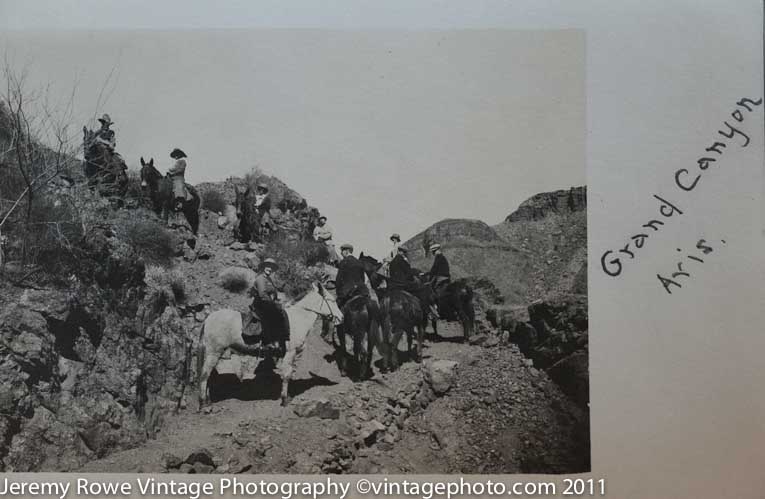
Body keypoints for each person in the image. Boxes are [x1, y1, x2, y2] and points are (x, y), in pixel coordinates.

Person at [248, 258, 289, 353]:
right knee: (273, 316)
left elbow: (273, 292)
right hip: (260, 304)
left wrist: (277, 299)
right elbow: (262, 294)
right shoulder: (260, 278)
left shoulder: (269, 279)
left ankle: (278, 339)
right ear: (263, 267)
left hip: (267, 303)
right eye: (268, 266)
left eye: (271, 267)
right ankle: (266, 342)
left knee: (281, 312)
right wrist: (273, 303)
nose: (269, 268)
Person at [335, 243, 369, 309]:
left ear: (347, 251)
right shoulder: (359, 262)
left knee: (336, 310)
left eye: (342, 251)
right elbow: (363, 278)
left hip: (348, 292)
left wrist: (339, 293)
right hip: (362, 291)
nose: (341, 253)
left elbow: (338, 280)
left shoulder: (343, 262)